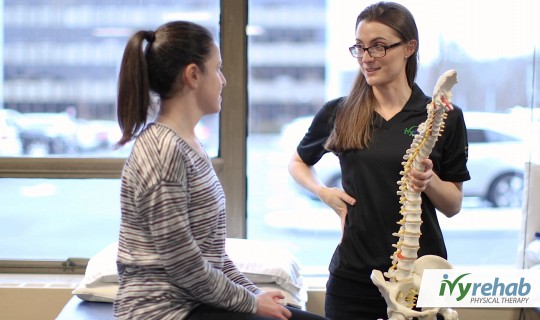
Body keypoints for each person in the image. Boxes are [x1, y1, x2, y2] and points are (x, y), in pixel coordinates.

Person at [113, 20, 327, 320]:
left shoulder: (188, 144)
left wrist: (253, 294)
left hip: (193, 304)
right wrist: (251, 303)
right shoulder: (163, 150)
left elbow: (212, 254)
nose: (223, 80)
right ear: (193, 75)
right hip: (163, 312)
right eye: (217, 69)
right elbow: (183, 264)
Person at [288, 2, 470, 320]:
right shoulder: (340, 112)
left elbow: (453, 205)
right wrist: (324, 193)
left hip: (420, 281)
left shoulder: (442, 117)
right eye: (359, 47)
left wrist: (429, 181)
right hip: (353, 277)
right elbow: (298, 162)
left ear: (409, 48)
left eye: (379, 47)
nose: (366, 58)